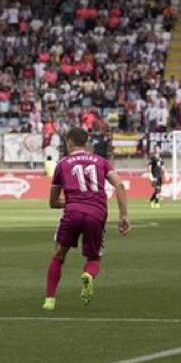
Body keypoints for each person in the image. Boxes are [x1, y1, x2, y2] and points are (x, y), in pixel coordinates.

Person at [42, 127, 131, 311]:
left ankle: (50, 300)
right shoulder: (101, 161)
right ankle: (88, 275)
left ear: (70, 142)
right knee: (94, 257)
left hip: (72, 212)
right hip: (97, 214)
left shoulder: (63, 164)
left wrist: (73, 203)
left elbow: (53, 202)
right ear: (86, 142)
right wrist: (123, 216)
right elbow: (120, 185)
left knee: (59, 254)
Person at [147, 144, 165, 209]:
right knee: (157, 189)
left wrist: (165, 173)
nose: (156, 149)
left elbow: (163, 167)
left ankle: (151, 200)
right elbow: (149, 166)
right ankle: (156, 202)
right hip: (154, 175)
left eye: (158, 148)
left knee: (159, 190)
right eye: (155, 148)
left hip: (159, 175)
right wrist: (150, 175)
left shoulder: (160, 158)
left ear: (160, 150)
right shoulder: (153, 157)